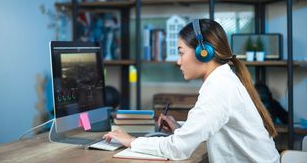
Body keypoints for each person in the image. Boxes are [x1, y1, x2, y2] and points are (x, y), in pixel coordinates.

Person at [103, 19, 279, 162]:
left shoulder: (218, 88)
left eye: (181, 53)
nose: (178, 62)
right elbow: (213, 124)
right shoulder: (223, 80)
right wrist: (179, 128)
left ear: (204, 52)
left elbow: (179, 149)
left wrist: (131, 141)